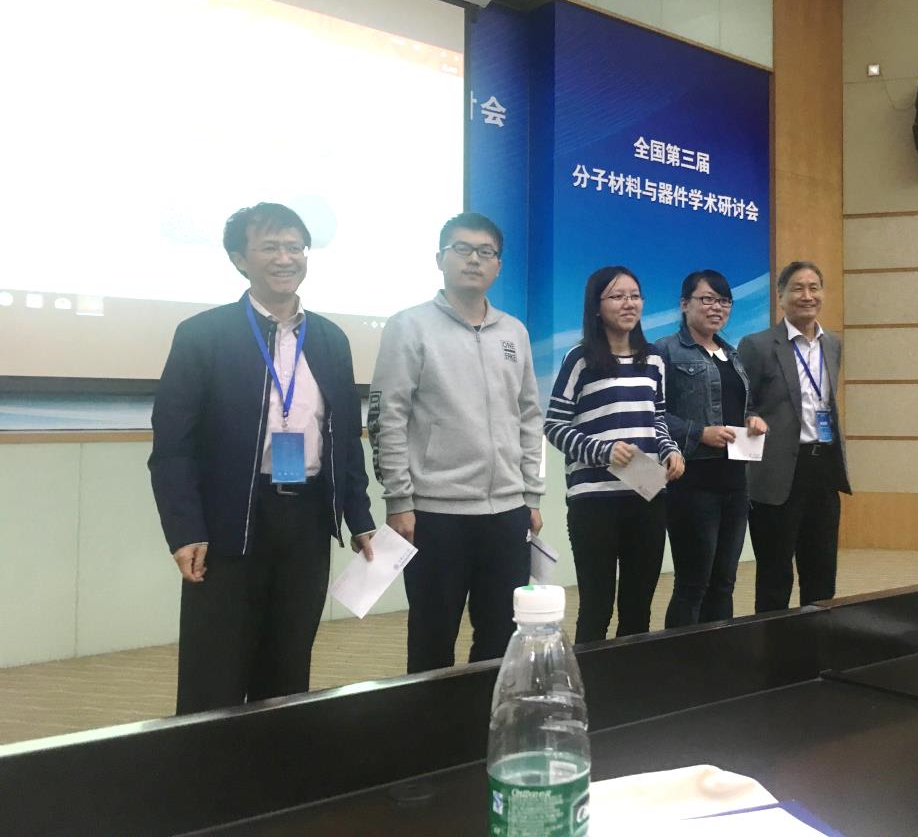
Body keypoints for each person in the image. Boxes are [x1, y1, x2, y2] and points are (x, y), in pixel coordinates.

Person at [150, 203, 375, 716]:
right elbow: (173, 447)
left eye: (295, 247)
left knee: (288, 667)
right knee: (215, 671)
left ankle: (278, 760)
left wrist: (359, 516)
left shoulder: (331, 339)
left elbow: (345, 438)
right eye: (270, 247)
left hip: (307, 520)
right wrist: (185, 529)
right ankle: (209, 764)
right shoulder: (203, 334)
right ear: (239, 259)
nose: (285, 258)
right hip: (230, 521)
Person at [368, 212, 544, 673]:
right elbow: (388, 417)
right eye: (462, 249)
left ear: (498, 265)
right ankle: (430, 718)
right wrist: (399, 500)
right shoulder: (409, 326)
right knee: (433, 635)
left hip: (507, 512)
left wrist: (532, 494)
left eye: (486, 252)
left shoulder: (514, 332)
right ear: (440, 259)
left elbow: (529, 416)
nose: (474, 260)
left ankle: (485, 713)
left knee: (501, 635)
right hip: (434, 512)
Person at [544, 266, 685, 643]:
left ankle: (630, 676)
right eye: (618, 296)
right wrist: (601, 450)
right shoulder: (580, 359)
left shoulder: (653, 359)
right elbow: (554, 424)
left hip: (647, 492)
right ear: (596, 306)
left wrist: (670, 450)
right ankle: (589, 676)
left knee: (638, 606)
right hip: (594, 500)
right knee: (597, 606)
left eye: (635, 296)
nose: (629, 303)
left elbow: (657, 418)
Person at [737, 260, 851, 612]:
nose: (807, 295)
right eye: (798, 288)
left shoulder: (832, 344)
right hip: (777, 472)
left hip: (824, 468)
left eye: (814, 287)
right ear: (781, 296)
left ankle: (816, 641)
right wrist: (751, 419)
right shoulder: (757, 345)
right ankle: (773, 643)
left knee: (822, 573)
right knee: (775, 575)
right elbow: (739, 404)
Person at [656, 270, 766, 628]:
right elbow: (651, 413)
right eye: (707, 299)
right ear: (684, 304)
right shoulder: (665, 351)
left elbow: (739, 406)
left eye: (723, 301)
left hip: (734, 482)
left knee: (724, 582)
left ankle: (718, 653)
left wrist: (753, 420)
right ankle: (681, 655)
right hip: (691, 481)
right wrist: (698, 433)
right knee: (693, 584)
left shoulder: (731, 354)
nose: (716, 307)